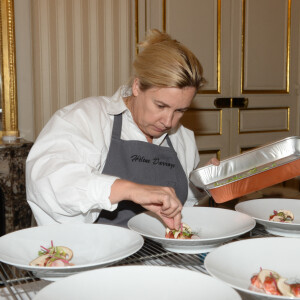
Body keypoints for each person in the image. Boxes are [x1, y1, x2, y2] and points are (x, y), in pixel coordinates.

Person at [26, 29, 216, 230]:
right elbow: (47, 181)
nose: (169, 121)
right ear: (137, 86)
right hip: (100, 256)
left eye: (180, 110)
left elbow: (184, 207)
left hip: (160, 257)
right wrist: (129, 190)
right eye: (160, 106)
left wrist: (202, 185)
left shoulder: (182, 138)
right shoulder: (88, 119)